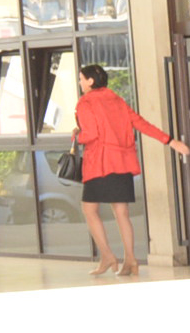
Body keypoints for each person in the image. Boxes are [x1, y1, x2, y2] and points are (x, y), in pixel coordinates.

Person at [69, 66, 183, 277]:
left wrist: (78, 135)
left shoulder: (85, 103)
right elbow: (141, 124)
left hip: (100, 164)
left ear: (91, 82)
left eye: (81, 79)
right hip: (123, 162)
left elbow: (91, 134)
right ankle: (131, 259)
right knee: (121, 212)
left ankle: (107, 256)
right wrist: (170, 141)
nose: (80, 83)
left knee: (89, 210)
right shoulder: (117, 100)